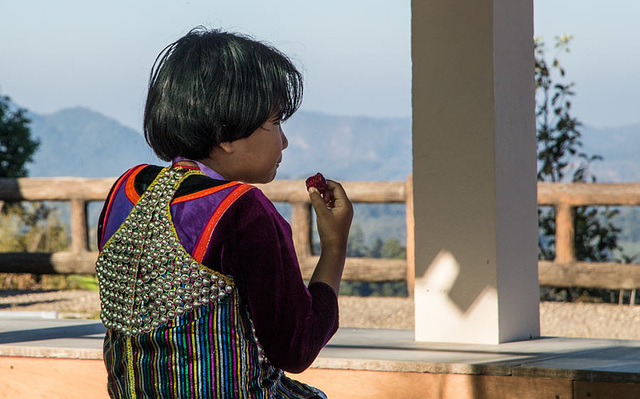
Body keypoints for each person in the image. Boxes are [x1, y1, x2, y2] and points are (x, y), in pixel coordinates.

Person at [95, 27, 353, 398]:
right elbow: (296, 348)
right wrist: (334, 246)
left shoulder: (128, 188)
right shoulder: (241, 210)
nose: (284, 141)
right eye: (276, 122)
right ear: (226, 134)